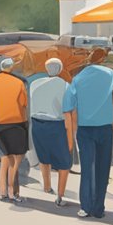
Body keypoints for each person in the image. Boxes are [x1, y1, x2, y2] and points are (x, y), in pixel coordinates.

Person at [65, 49, 113, 219]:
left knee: (87, 169)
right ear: (103, 60)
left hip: (85, 129)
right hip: (105, 128)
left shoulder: (78, 78)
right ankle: (99, 208)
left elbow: (69, 105)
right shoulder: (110, 75)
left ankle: (86, 207)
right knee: (102, 169)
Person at [28, 59, 74, 207]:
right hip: (56, 125)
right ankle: (60, 196)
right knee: (64, 162)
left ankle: (47, 187)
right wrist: (71, 138)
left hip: (37, 124)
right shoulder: (65, 86)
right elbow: (67, 113)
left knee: (44, 158)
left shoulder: (35, 84)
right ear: (60, 69)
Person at [0, 57, 29, 203]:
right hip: (17, 123)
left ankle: (2, 191)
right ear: (12, 68)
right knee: (16, 159)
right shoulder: (18, 83)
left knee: (5, 157)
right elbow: (24, 104)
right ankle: (12, 191)